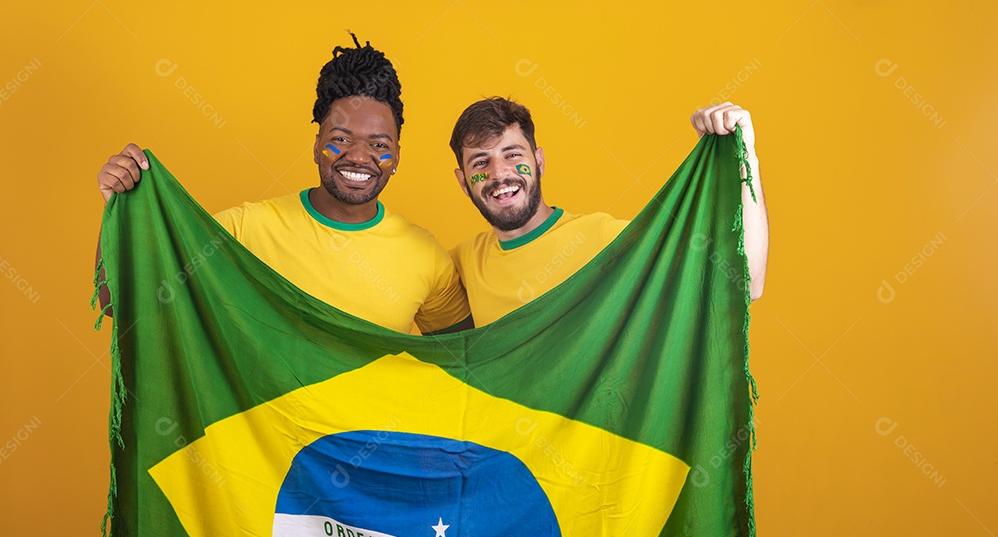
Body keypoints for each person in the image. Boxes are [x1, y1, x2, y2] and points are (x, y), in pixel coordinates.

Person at [95, 36, 473, 335]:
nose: (359, 156)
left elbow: (466, 364)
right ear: (316, 147)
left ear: (397, 158)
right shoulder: (246, 230)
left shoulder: (426, 257)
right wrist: (118, 208)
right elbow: (121, 304)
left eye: (378, 145)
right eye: (340, 139)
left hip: (368, 436)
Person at [448, 97, 769, 325]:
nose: (500, 173)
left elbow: (744, 281)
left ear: (539, 162)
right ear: (464, 182)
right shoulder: (460, 264)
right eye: (481, 162)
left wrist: (743, 157)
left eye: (512, 154)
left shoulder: (604, 239)